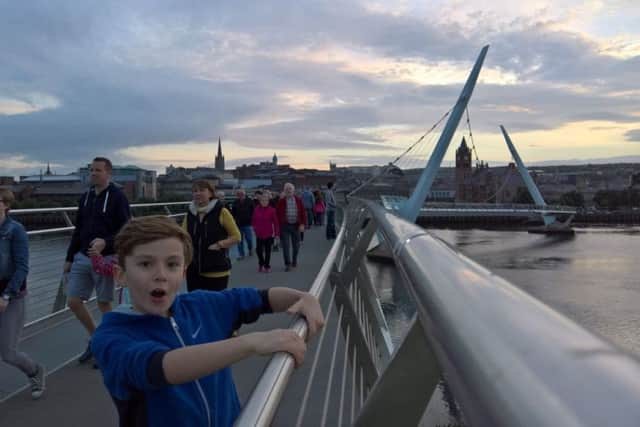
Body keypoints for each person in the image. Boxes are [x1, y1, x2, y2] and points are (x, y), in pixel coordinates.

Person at [91, 215, 324, 427]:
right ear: (120, 275)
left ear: (183, 273)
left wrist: (302, 297)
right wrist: (251, 343)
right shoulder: (110, 337)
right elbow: (161, 368)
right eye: (145, 264)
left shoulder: (201, 306)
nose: (160, 274)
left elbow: (260, 299)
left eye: (172, 264)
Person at [64, 157, 131, 364]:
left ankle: (110, 347)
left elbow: (126, 228)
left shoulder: (118, 197)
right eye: (91, 170)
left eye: (98, 170)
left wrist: (106, 242)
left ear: (108, 173)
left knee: (104, 303)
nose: (93, 173)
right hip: (82, 257)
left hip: (106, 258)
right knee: (73, 301)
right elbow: (79, 230)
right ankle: (97, 338)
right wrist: (69, 257)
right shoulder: (85, 197)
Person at [0, 189, 46, 399]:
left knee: (8, 353)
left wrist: (7, 295)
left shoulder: (15, 230)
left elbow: (22, 268)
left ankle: (35, 371)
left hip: (11, 295)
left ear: (6, 205)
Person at [183, 180, 240, 292]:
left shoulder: (222, 211)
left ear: (210, 193)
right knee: (195, 305)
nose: (198, 193)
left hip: (216, 269)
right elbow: (182, 237)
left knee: (215, 306)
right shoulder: (190, 213)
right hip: (194, 270)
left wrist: (219, 245)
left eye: (202, 190)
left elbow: (236, 236)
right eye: (195, 191)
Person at [276, 183, 306, 272]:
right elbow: (277, 214)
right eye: (287, 189)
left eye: (290, 189)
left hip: (296, 225)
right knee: (286, 246)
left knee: (296, 246)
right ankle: (287, 264)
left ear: (293, 191)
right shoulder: (281, 201)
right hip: (285, 226)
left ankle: (294, 260)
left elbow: (303, 213)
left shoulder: (298, 200)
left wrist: (302, 224)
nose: (288, 191)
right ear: (284, 191)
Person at [251, 193, 280, 273]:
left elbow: (276, 223)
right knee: (258, 251)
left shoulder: (272, 210)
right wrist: (255, 228)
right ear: (260, 201)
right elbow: (253, 220)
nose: (264, 202)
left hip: (269, 234)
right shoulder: (256, 209)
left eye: (265, 201)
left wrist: (277, 234)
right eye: (262, 200)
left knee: (268, 251)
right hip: (259, 234)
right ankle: (261, 263)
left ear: (268, 201)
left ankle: (267, 266)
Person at [231, 189, 254, 260]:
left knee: (249, 239)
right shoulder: (235, 202)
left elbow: (253, 211)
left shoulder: (249, 201)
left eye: (242, 194)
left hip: (247, 223)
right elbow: (233, 213)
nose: (240, 195)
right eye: (239, 194)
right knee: (239, 240)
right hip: (238, 224)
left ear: (244, 194)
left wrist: (252, 219)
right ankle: (241, 254)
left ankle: (250, 249)